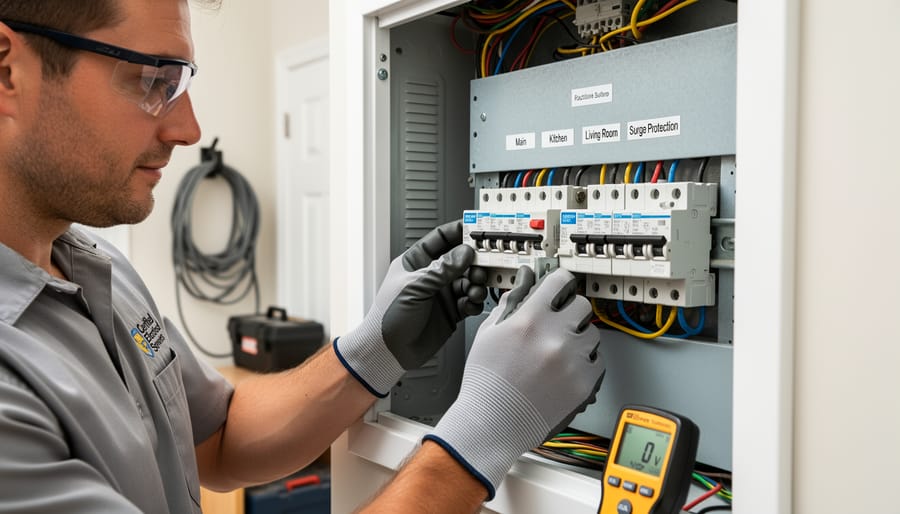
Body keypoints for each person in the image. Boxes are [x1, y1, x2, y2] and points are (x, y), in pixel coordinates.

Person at [0, 1, 606, 512]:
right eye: (152, 81)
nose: (187, 128)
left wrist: (371, 351)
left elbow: (219, 440)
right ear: (7, 70)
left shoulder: (93, 265)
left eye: (179, 82)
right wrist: (478, 438)